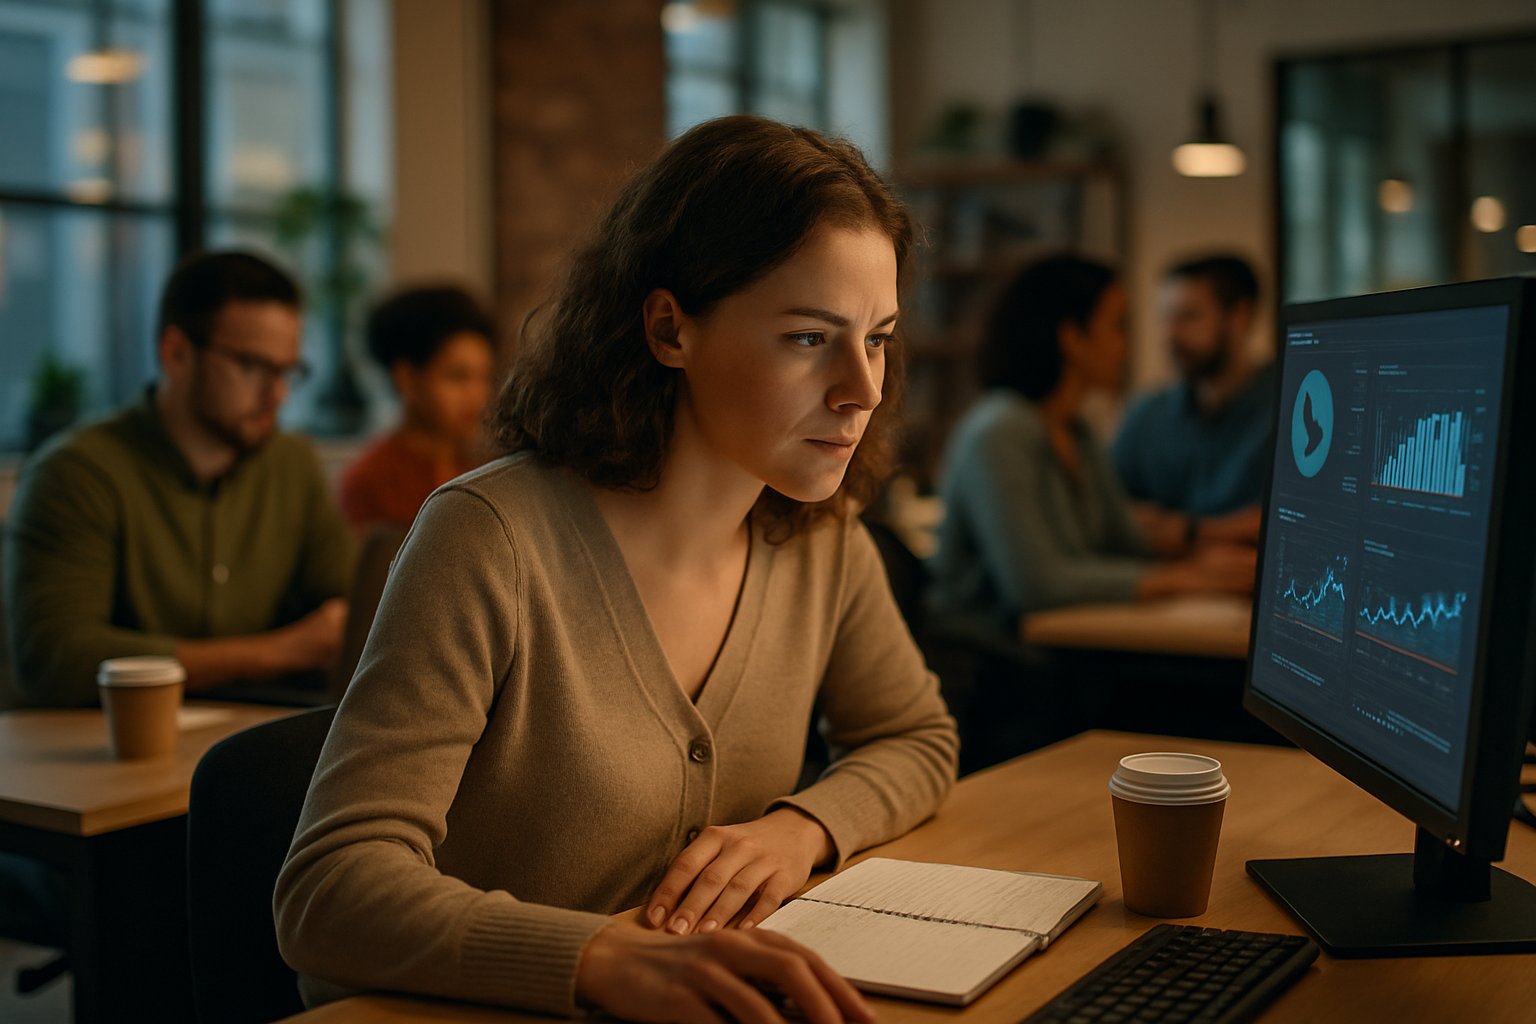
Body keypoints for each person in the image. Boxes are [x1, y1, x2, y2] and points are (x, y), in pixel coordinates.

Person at [274, 115, 959, 1022]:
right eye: (808, 338)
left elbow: (917, 738)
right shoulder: (490, 538)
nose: (863, 389)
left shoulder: (820, 535)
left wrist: (802, 830)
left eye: (877, 337)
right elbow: (329, 891)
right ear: (670, 329)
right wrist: (593, 953)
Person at [3, 250, 356, 708]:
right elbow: (57, 659)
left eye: (288, 371)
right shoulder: (75, 474)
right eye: (253, 366)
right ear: (177, 353)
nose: (278, 394)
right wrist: (276, 653)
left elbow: (346, 606)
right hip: (99, 752)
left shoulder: (292, 464)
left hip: (247, 735)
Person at [927, 254, 1254, 638]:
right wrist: (1189, 578)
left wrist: (1210, 563)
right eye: (1117, 327)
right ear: (1073, 339)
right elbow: (1038, 584)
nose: (1127, 346)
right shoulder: (999, 430)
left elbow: (1125, 541)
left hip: (1050, 649)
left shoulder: (1075, 431)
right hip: (984, 661)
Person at [1111, 254, 1273, 549]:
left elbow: (1298, 518)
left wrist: (1189, 531)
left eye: (1188, 317)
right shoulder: (1146, 415)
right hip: (1160, 587)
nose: (1170, 335)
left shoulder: (1287, 407)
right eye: (1166, 318)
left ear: (1240, 316)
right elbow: (1109, 512)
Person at [338, 284, 496, 529]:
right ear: (406, 378)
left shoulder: (486, 468)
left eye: (483, 377)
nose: (477, 395)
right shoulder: (371, 482)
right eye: (457, 376)